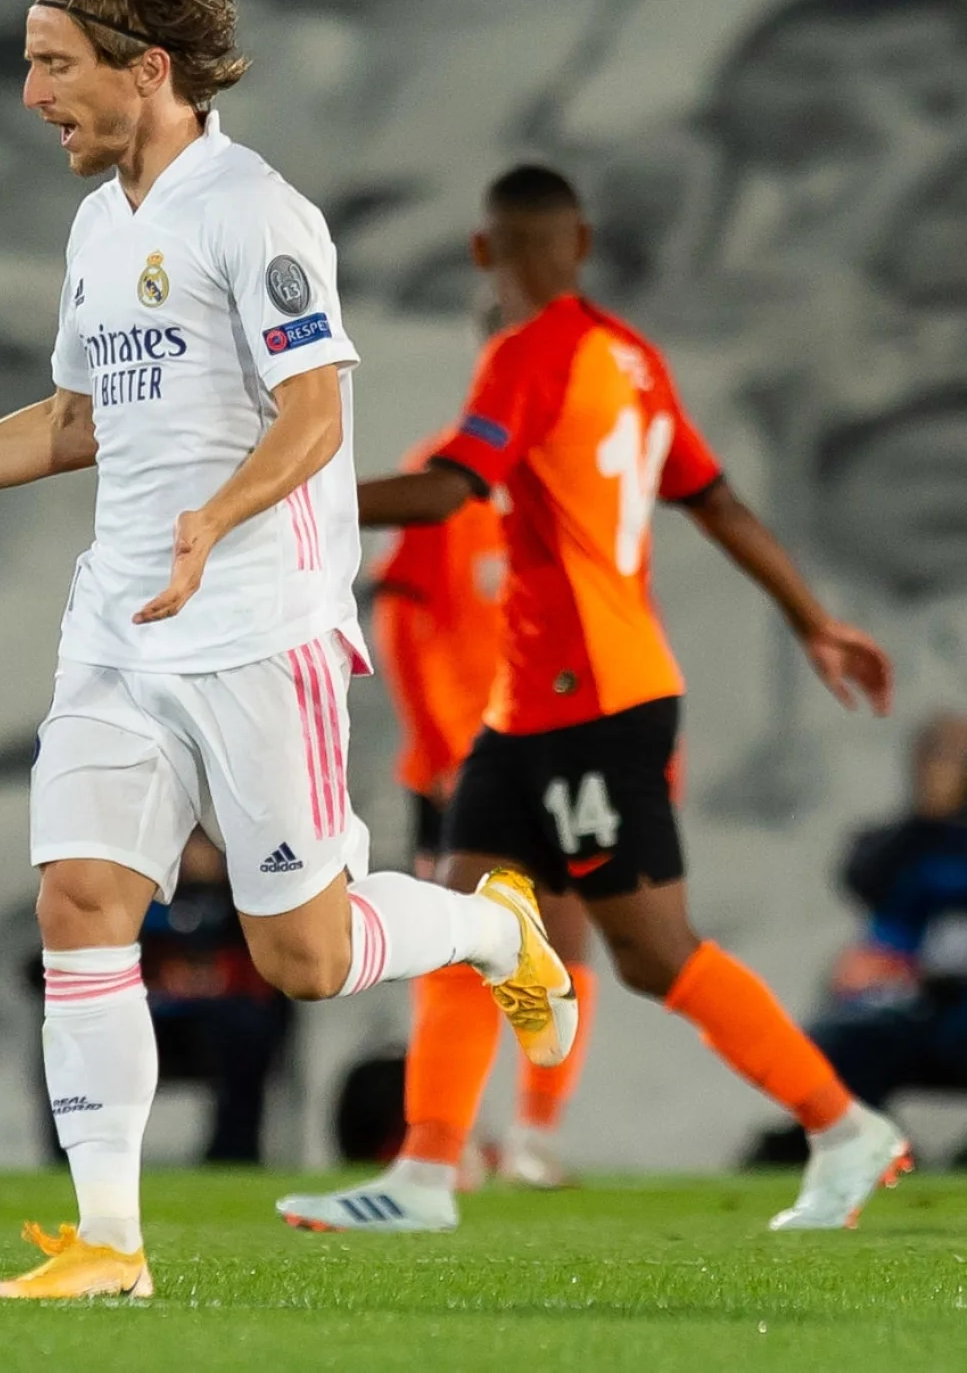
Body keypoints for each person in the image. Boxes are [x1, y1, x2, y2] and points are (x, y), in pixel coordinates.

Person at [0, 0, 575, 1301]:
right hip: (118, 627)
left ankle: (497, 927)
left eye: (52, 64)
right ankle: (109, 1243)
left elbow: (314, 416)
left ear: (145, 67)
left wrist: (216, 516)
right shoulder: (99, 226)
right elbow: (76, 420)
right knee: (79, 897)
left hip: (257, 627)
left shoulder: (256, 211)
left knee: (303, 957)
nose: (31, 94)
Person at [279, 164, 903, 1235]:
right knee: (466, 923)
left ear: (484, 253)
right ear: (580, 242)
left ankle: (843, 1128)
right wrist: (812, 618)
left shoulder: (529, 353)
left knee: (653, 952)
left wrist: (280, 496)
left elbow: (447, 491)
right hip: (530, 707)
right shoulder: (632, 359)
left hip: (593, 705)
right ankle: (424, 1175)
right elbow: (718, 501)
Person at [374, 425, 597, 1191]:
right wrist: (435, 743)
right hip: (464, 759)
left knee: (563, 937)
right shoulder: (443, 474)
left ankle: (534, 1134)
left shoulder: (580, 476)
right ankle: (447, 1136)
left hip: (560, 751)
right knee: (455, 944)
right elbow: (399, 611)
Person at [755, 713, 967, 1161]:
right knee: (838, 1042)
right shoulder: (897, 841)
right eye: (937, 755)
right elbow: (864, 879)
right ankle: (881, 1153)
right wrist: (928, 818)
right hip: (913, 1004)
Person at [30, 831, 291, 1166]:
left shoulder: (244, 906)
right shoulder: (120, 896)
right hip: (139, 1018)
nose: (190, 855)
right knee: (72, 1028)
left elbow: (272, 971)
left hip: (214, 1025)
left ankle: (233, 1155)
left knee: (249, 1028)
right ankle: (79, 1153)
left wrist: (218, 980)